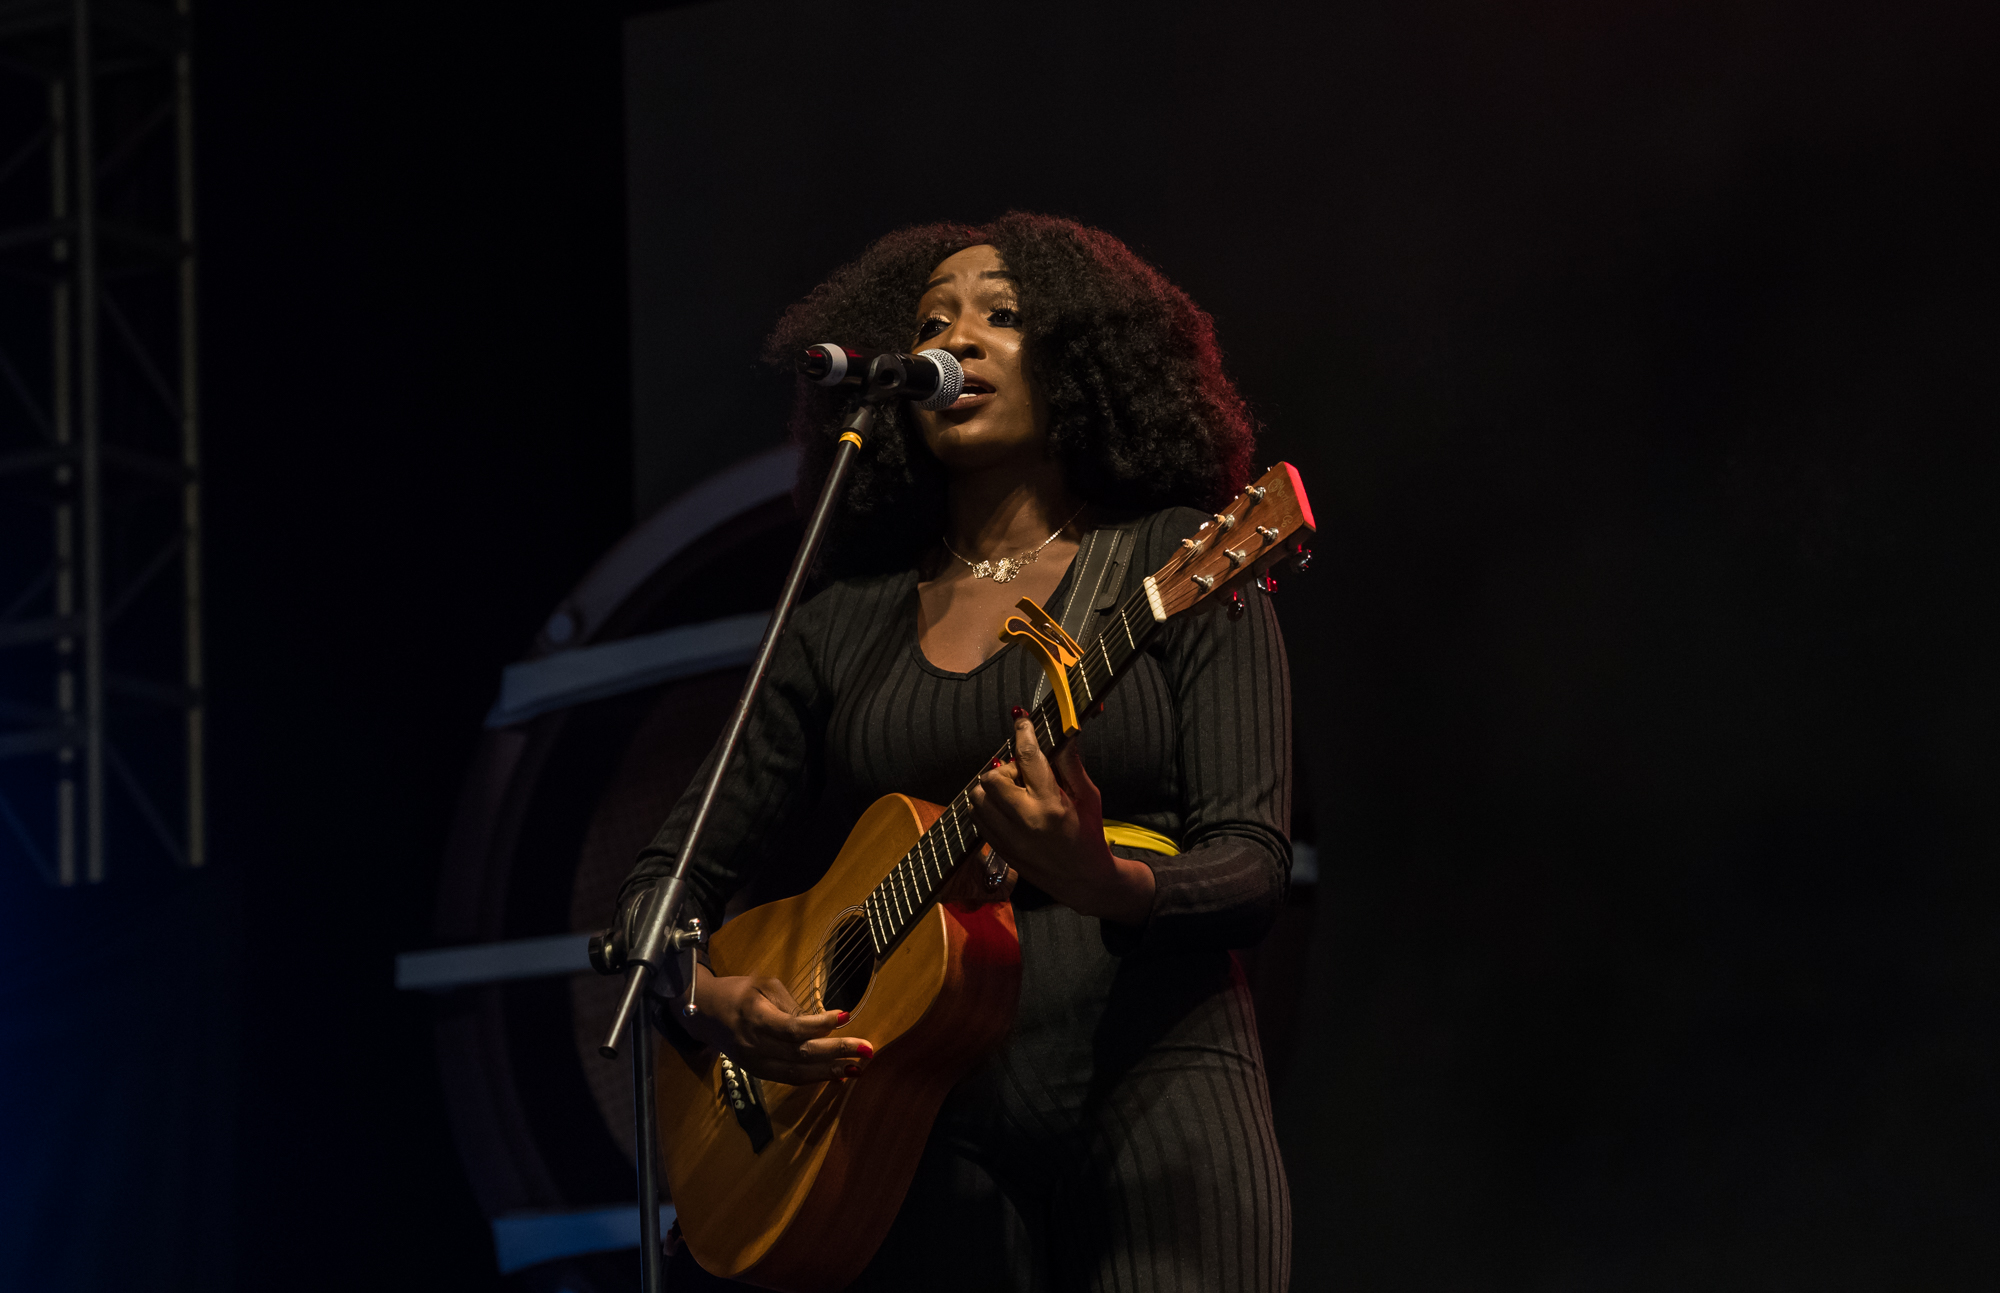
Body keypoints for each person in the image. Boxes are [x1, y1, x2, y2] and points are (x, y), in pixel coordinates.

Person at [620, 212, 1293, 1291]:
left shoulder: (1179, 556)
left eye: (1004, 315)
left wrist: (1101, 878)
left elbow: (1254, 863)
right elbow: (662, 887)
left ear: (1086, 358)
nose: (958, 339)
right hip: (917, 1133)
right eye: (933, 322)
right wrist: (710, 1000)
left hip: (1157, 1089)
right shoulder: (839, 622)